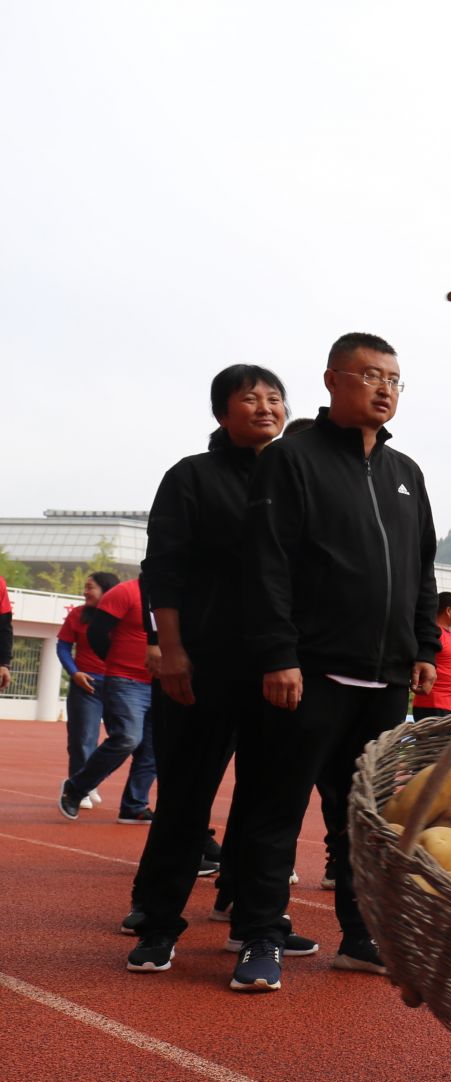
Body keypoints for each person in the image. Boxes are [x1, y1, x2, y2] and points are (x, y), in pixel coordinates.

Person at [223, 331, 440, 994]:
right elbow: (267, 565)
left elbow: (421, 570)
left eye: (395, 380)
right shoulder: (291, 459)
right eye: (371, 375)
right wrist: (279, 653)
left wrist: (424, 647)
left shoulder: (407, 476)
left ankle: (361, 934)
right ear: (332, 380)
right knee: (275, 806)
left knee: (365, 819)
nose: (385, 389)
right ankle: (261, 934)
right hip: (307, 673)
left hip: (384, 680)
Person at [124, 365, 307, 972]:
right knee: (186, 796)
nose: (265, 406)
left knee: (266, 799)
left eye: (274, 397)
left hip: (277, 666)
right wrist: (170, 648)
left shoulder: (299, 476)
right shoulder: (192, 477)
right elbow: (164, 569)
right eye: (248, 398)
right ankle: (156, 921)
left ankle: (255, 921)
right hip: (203, 662)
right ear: (221, 412)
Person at [57, 575, 158, 823]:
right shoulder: (125, 593)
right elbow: (96, 634)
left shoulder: (176, 596)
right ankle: (77, 787)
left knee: (153, 749)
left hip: (160, 683)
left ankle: (134, 806)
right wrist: (115, 664)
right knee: (125, 738)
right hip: (123, 681)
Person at [56, 570, 118, 806]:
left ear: (107, 590)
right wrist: (75, 673)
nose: (85, 591)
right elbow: (63, 646)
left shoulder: (123, 616)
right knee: (83, 738)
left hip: (118, 685)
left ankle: (87, 780)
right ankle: (80, 787)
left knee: (126, 739)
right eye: (85, 586)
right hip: (86, 684)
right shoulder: (78, 615)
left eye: (90, 587)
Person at [414, 592, 451, 719]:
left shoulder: (448, 635)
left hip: (446, 706)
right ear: (448, 610)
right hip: (433, 705)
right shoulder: (433, 634)